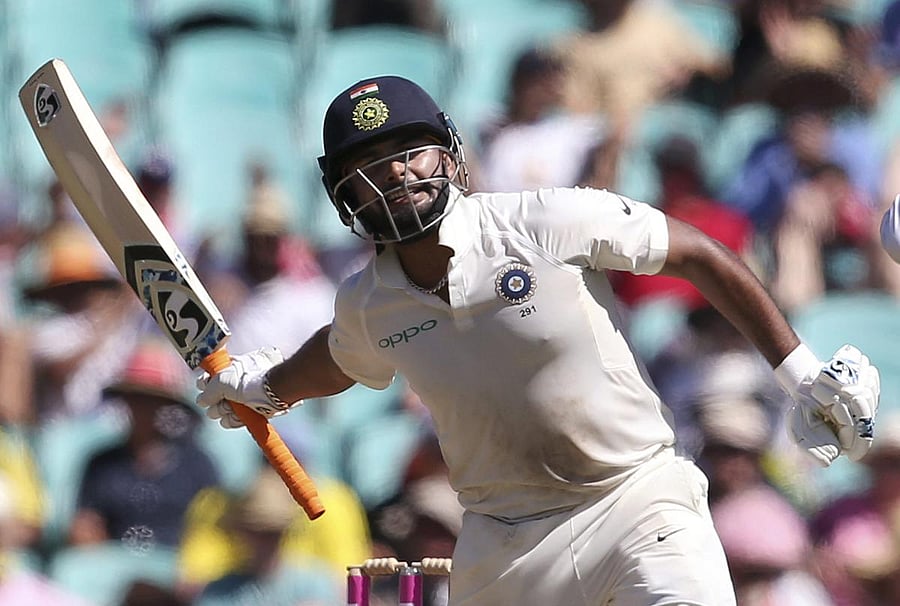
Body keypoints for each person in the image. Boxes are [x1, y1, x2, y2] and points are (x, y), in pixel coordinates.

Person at [195, 75, 881, 605]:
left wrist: (800, 372)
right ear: (344, 193)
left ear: (450, 153)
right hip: (505, 544)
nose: (397, 173)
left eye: (410, 152)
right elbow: (338, 358)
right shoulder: (367, 302)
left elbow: (697, 253)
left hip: (638, 497)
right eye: (371, 162)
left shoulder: (543, 221)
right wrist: (262, 387)